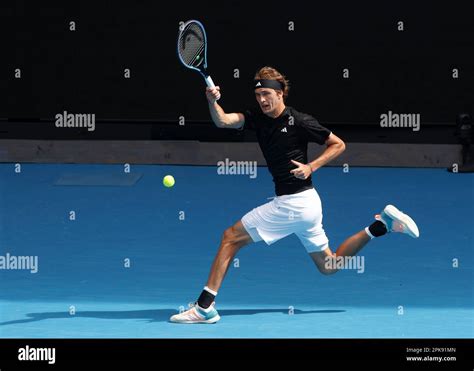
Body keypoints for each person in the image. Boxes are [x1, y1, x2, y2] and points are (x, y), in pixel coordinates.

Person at [170, 66, 419, 324]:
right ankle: (380, 226)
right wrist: (212, 101)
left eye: (267, 94)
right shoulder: (256, 118)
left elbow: (338, 144)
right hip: (307, 204)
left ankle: (204, 307)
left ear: (281, 94)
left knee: (230, 237)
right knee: (329, 266)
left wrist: (311, 166)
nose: (262, 100)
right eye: (258, 96)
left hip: (295, 203)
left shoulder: (299, 121)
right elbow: (222, 120)